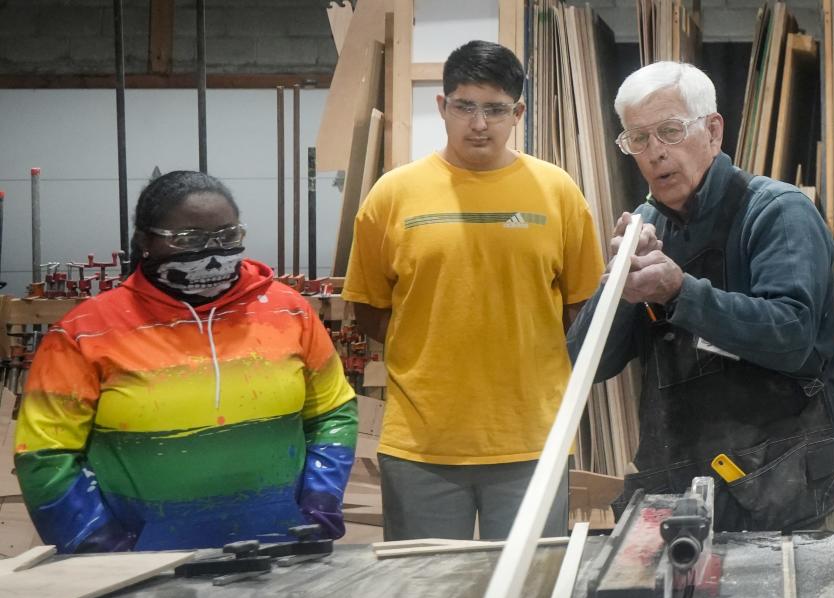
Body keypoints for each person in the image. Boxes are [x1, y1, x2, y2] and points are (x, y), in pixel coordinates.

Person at [568, 62, 834, 532]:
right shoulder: (646, 226)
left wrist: (680, 291)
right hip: (679, 487)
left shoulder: (777, 213)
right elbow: (585, 363)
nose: (655, 153)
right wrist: (618, 284)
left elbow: (792, 336)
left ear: (714, 131)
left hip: (782, 491)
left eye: (670, 131)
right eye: (638, 139)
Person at [14, 170, 358, 552]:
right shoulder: (83, 333)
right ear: (145, 240)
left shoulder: (289, 312)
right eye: (188, 240)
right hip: (141, 566)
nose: (213, 255)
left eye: (228, 236)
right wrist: (96, 543)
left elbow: (333, 412)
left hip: (279, 548)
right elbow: (45, 454)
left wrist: (319, 502)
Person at [342, 40, 604, 541]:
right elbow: (370, 313)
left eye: (494, 109)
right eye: (464, 106)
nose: (478, 123)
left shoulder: (558, 193)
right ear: (442, 107)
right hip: (422, 444)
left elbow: (581, 310)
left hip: (532, 440)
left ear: (518, 112)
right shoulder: (392, 195)